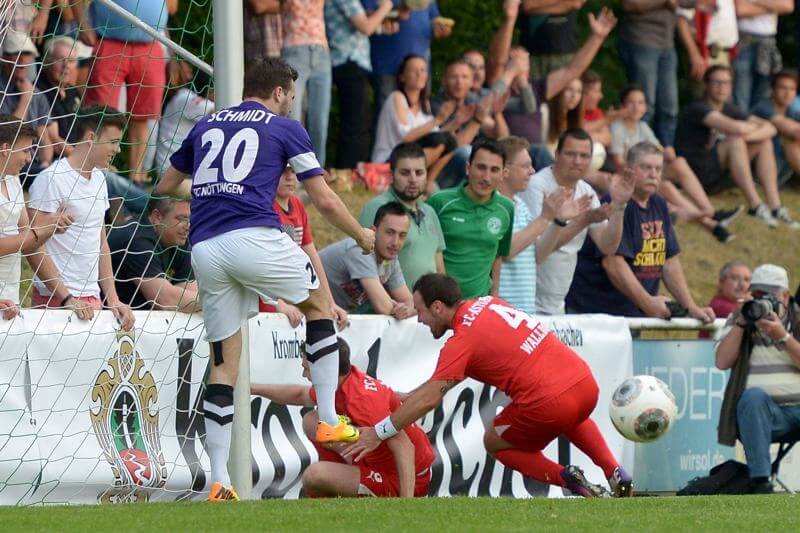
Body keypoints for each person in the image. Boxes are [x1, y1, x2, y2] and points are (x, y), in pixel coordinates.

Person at [156, 57, 376, 502]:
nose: (290, 105)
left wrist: (209, 191)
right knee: (319, 305)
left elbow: (164, 185)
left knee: (224, 365)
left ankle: (219, 480)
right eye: (291, 97)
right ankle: (331, 417)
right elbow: (326, 199)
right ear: (279, 92)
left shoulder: (207, 125)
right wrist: (361, 236)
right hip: (253, 236)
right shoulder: (282, 127)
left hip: (206, 248)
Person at [343, 273, 634, 499]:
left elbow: (431, 399)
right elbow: (474, 364)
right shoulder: (490, 303)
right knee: (572, 414)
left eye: (421, 311)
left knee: (494, 441)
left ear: (438, 307)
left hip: (548, 402)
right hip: (583, 382)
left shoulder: (461, 341)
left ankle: (567, 479)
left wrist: (379, 433)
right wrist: (414, 393)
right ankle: (614, 470)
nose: (419, 320)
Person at [251, 337, 435, 498]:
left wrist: (406, 503)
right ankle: (345, 481)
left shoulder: (362, 401)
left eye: (307, 369)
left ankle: (348, 490)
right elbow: (300, 395)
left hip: (403, 476)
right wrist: (252, 388)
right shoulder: (342, 381)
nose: (304, 374)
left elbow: (405, 446)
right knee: (311, 421)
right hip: (378, 460)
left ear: (325, 368)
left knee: (314, 476)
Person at [566, 141, 715, 322]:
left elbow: (669, 261)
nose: (653, 174)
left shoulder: (658, 203)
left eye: (658, 169)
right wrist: (648, 303)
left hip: (633, 316)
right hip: (597, 315)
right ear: (629, 170)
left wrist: (690, 306)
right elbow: (613, 264)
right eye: (646, 167)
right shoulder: (616, 204)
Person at [27, 106, 135, 330]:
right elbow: (32, 246)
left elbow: (101, 243)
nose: (117, 149)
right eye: (113, 142)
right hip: (55, 301)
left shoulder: (100, 180)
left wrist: (112, 299)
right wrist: (66, 298)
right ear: (91, 138)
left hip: (92, 299)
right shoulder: (52, 179)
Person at [519, 128, 634, 315]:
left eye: (584, 156)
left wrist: (620, 206)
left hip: (557, 303)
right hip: (527, 300)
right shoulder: (536, 186)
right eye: (571, 154)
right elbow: (541, 249)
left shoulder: (586, 191)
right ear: (557, 154)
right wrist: (583, 220)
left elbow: (607, 246)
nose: (578, 161)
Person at [610, 84, 739, 243]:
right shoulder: (617, 128)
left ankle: (710, 212)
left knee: (679, 162)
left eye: (641, 102)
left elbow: (659, 150)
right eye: (631, 102)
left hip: (647, 172)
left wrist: (665, 153)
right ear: (623, 105)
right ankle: (711, 222)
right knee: (667, 188)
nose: (637, 107)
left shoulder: (642, 127)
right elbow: (619, 164)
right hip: (630, 176)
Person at [674, 65, 797, 229]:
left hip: (719, 173)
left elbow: (770, 128)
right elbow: (735, 128)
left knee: (763, 142)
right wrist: (743, 134)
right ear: (706, 84)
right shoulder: (698, 108)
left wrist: (746, 136)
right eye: (717, 82)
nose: (721, 87)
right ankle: (755, 206)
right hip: (695, 175)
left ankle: (775, 207)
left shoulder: (729, 108)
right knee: (735, 140)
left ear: (731, 86)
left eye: (726, 83)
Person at [716, 263, 800, 494]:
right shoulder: (741, 317)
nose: (764, 301)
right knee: (752, 397)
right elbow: (722, 362)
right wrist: (742, 323)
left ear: (785, 295)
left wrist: (782, 336)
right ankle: (761, 482)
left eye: (771, 295)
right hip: (766, 414)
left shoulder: (797, 317)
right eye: (758, 294)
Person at [82, 0, 177, 185]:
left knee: (143, 116)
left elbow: (171, 7)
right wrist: (84, 25)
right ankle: (94, 172)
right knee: (101, 113)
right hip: (110, 41)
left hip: (149, 44)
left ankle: (136, 177)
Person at [496, 136, 589, 314]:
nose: (532, 171)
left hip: (525, 311)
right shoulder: (494, 206)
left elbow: (538, 256)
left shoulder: (520, 205)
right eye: (525, 166)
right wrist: (545, 218)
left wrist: (558, 221)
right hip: (502, 313)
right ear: (505, 169)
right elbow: (505, 251)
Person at [0, 115, 72, 319]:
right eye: (25, 150)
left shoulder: (13, 180)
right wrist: (42, 229)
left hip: (9, 301)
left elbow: (32, 245)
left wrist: (66, 297)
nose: (29, 158)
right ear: (5, 148)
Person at [260, 166, 348, 331]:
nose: (290, 177)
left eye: (293, 171)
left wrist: (330, 302)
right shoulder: (264, 208)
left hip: (294, 298)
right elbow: (258, 261)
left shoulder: (297, 205)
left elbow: (312, 256)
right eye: (283, 171)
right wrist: (279, 304)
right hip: (267, 302)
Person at [426, 139, 514, 299]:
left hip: (478, 307)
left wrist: (494, 295)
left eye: (494, 170)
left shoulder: (506, 209)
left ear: (503, 174)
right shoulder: (439, 202)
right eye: (481, 167)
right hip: (438, 304)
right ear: (468, 168)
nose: (486, 177)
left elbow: (497, 255)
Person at [360, 143, 446, 290]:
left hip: (427, 308)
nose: (413, 179)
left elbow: (439, 267)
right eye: (405, 173)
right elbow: (363, 263)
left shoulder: (430, 212)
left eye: (419, 173)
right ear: (391, 175)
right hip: (390, 308)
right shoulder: (377, 207)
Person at [325, 0, 395, 170]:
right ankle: (347, 172)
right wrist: (386, 7)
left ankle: (355, 171)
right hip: (348, 61)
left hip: (350, 62)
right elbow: (365, 26)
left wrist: (381, 28)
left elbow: (357, 29)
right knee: (355, 123)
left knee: (359, 121)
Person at [371, 55, 457, 187]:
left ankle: (428, 183)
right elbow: (406, 136)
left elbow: (438, 135)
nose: (419, 74)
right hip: (389, 160)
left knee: (450, 141)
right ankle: (400, 178)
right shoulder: (397, 97)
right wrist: (438, 120)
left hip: (408, 155)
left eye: (423, 70)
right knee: (439, 140)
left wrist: (458, 121)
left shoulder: (425, 104)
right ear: (402, 76)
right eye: (413, 70)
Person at [321, 202, 413, 319]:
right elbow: (383, 307)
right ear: (373, 231)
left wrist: (405, 310)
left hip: (330, 314)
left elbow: (409, 301)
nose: (395, 242)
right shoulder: (360, 250)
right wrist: (396, 308)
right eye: (390, 233)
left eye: (402, 235)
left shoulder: (390, 258)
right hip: (302, 309)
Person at [108, 197, 200, 312]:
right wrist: (217, 299)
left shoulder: (178, 240)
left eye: (191, 219)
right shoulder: (137, 239)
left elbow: (191, 292)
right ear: (157, 217)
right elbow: (165, 300)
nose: (188, 226)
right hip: (107, 319)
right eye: (181, 219)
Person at [617, 0, 682, 146]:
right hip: (641, 39)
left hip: (668, 43)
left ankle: (667, 154)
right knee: (644, 106)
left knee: (670, 108)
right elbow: (629, 4)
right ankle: (638, 152)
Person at [367, 0, 451, 110]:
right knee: (387, 111)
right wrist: (397, 13)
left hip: (419, 65)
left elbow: (435, 21)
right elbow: (365, 15)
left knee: (419, 111)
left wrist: (440, 29)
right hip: (387, 65)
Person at [280, 0, 331, 166]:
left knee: (320, 120)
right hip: (295, 50)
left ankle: (317, 173)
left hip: (322, 52)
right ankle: (290, 173)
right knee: (291, 117)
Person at [0, 30, 54, 174]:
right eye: (16, 53)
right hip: (8, 161)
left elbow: (45, 139)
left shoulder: (37, 94)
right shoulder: (3, 91)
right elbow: (8, 133)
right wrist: (25, 99)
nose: (22, 59)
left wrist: (45, 163)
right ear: (4, 57)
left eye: (27, 54)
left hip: (34, 164)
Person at [731, 0, 793, 112]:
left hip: (768, 42)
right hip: (744, 40)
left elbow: (787, 6)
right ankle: (742, 126)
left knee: (763, 93)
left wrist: (753, 2)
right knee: (741, 92)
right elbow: (740, 9)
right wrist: (772, 6)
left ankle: (758, 126)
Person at [155, 68, 215, 180]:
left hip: (177, 168)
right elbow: (222, 111)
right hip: (172, 171)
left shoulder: (182, 96)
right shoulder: (186, 99)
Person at [752, 69, 800, 187]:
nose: (788, 93)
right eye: (783, 88)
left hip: (780, 170)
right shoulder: (763, 107)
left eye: (792, 89)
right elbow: (792, 131)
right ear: (772, 90)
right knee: (791, 141)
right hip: (758, 174)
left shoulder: (791, 110)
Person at [518, 0, 583, 79]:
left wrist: (536, 9)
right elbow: (528, 5)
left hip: (565, 52)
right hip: (533, 54)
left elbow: (576, 3)